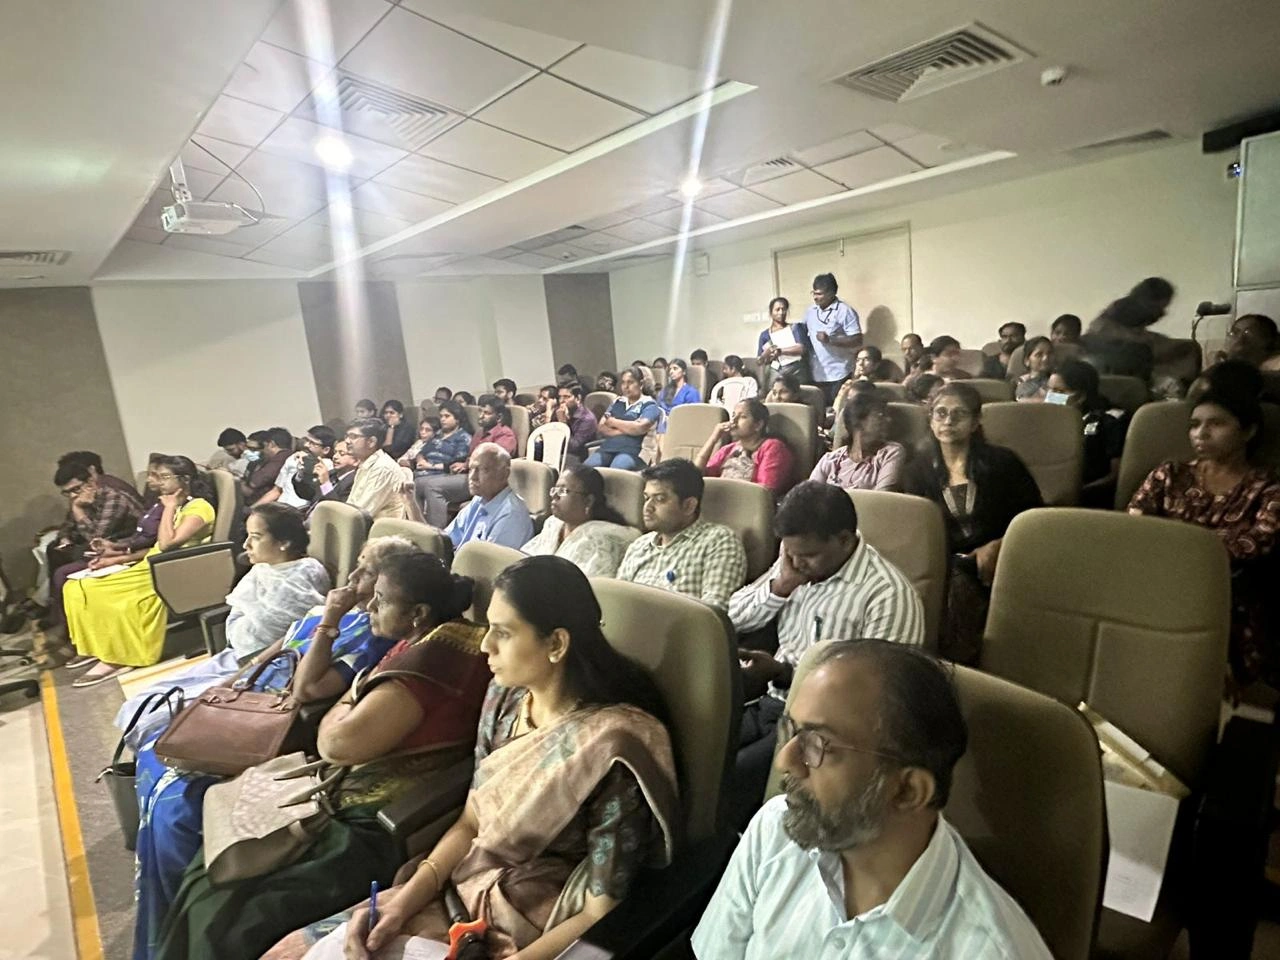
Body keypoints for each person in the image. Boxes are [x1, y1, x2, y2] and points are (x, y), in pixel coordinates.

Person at [265, 555, 680, 960]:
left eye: (503, 632)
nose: (484, 645)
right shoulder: (505, 698)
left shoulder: (614, 746)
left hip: (532, 919)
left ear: (556, 643)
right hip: (460, 882)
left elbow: (600, 909)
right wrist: (403, 905)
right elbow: (471, 822)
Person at [153, 552, 491, 960]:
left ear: (418, 613)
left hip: (374, 822)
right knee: (211, 879)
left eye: (381, 599)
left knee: (227, 909)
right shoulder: (429, 639)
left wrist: (343, 709)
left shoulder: (428, 665)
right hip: (352, 789)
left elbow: (335, 744)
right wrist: (344, 708)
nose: (369, 605)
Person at [126, 537, 414, 960]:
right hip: (252, 701)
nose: (353, 577)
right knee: (155, 754)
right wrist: (223, 692)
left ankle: (180, 909)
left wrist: (330, 620)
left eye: (367, 572)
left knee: (175, 804)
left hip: (280, 725)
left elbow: (307, 689)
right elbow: (267, 655)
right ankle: (165, 913)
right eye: (357, 564)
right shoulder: (321, 612)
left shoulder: (370, 636)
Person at [694, 640, 1053, 960]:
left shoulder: (991, 949)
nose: (784, 761)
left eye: (817, 744)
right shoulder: (774, 830)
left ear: (907, 791)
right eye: (791, 730)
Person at [728, 483, 925, 827]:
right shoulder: (795, 564)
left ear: (845, 540)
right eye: (788, 552)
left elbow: (882, 699)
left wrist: (784, 673)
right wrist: (780, 587)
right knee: (698, 755)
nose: (795, 562)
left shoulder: (887, 596)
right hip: (772, 705)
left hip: (823, 731)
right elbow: (732, 617)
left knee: (731, 778)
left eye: (807, 554)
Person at [1128, 380, 1280, 686]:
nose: (1201, 433)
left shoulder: (1268, 488)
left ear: (1248, 432)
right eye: (1195, 425)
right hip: (1154, 579)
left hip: (1227, 594)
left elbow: (1258, 543)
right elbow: (1132, 529)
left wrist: (1176, 545)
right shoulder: (1169, 474)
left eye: (1216, 424)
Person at [901, 384, 1043, 663]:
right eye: (940, 413)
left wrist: (1000, 545)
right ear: (930, 420)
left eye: (959, 414)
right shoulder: (916, 472)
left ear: (976, 421)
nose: (948, 421)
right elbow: (919, 533)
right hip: (946, 564)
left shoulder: (1003, 463)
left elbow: (1034, 520)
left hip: (1003, 558)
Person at [64, 456, 216, 686]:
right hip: (150, 563)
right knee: (75, 587)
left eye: (164, 477)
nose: (158, 482)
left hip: (171, 570)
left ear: (184, 480)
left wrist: (169, 507)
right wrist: (118, 558)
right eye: (156, 476)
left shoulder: (199, 507)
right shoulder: (174, 506)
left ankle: (119, 657)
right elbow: (154, 548)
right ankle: (99, 647)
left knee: (110, 599)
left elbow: (167, 544)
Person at [616, 459, 747, 610]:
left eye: (659, 499)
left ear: (689, 506)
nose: (647, 507)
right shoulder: (639, 546)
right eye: (646, 498)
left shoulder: (718, 541)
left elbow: (715, 612)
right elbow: (617, 602)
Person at [521, 465, 638, 576]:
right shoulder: (553, 524)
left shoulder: (602, 540)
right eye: (554, 489)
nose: (554, 496)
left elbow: (593, 584)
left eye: (563, 491)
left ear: (588, 501)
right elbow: (524, 557)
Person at [1047, 359, 1129, 509]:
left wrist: (1078, 492)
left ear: (1081, 396)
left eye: (1059, 392)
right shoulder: (1047, 419)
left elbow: (1116, 474)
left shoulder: (1110, 420)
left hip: (1089, 498)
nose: (1050, 397)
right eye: (1049, 390)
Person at [694, 399, 795, 499]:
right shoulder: (728, 449)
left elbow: (765, 492)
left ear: (758, 425)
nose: (733, 421)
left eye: (742, 417)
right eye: (733, 415)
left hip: (748, 504)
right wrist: (713, 439)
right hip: (719, 500)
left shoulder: (773, 447)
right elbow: (696, 476)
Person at [443, 443, 535, 551]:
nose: (472, 477)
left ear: (504, 474)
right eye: (471, 469)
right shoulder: (479, 501)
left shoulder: (512, 514)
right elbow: (447, 538)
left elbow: (488, 560)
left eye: (483, 470)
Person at [812, 393, 906, 491]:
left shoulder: (890, 453)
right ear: (858, 422)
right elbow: (810, 495)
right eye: (880, 415)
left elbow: (881, 497)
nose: (888, 420)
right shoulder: (830, 460)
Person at [801, 273, 863, 404]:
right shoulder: (810, 311)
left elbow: (857, 340)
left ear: (831, 293)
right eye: (814, 293)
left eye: (820, 294)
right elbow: (803, 334)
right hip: (816, 372)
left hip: (839, 373)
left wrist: (830, 340)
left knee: (837, 409)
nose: (815, 297)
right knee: (819, 411)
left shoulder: (844, 311)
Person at [411, 400, 473, 527]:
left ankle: (436, 529)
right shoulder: (438, 435)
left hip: (445, 474)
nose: (443, 419)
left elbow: (456, 462)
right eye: (441, 416)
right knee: (411, 485)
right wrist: (421, 460)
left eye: (447, 416)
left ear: (457, 419)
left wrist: (430, 466)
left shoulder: (463, 437)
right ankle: (418, 525)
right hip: (424, 472)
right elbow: (422, 451)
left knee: (428, 485)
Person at [584, 368, 660, 471]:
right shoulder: (617, 402)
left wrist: (613, 422)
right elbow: (601, 427)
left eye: (630, 382)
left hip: (636, 451)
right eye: (623, 382)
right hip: (609, 447)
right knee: (585, 470)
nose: (626, 386)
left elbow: (640, 428)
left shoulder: (649, 404)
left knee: (616, 470)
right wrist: (629, 429)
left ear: (641, 384)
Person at [344, 419, 408, 521]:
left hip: (382, 529)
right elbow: (351, 505)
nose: (347, 441)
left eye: (353, 436)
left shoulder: (383, 468)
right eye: (347, 436)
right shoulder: (366, 463)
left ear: (371, 442)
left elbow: (362, 513)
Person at [270, 426, 336, 509]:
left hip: (301, 509)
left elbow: (322, 495)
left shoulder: (327, 466)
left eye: (312, 443)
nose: (306, 445)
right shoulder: (293, 458)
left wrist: (308, 461)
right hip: (280, 505)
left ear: (325, 450)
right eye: (306, 440)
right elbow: (276, 490)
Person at [758, 296, 811, 386]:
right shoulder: (765, 335)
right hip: (777, 373)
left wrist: (780, 351)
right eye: (777, 310)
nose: (781, 312)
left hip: (797, 371)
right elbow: (759, 361)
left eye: (784, 309)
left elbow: (802, 349)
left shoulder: (795, 328)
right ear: (771, 312)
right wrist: (766, 355)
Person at [241, 426, 293, 508]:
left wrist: (250, 510)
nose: (264, 450)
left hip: (270, 507)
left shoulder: (281, 459)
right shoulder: (280, 458)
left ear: (271, 444)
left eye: (264, 446)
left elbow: (255, 482)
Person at [303, 439, 358, 512]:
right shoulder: (331, 473)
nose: (335, 456)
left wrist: (326, 483)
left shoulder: (355, 481)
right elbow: (307, 494)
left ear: (356, 460)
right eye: (335, 452)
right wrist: (302, 472)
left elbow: (336, 509)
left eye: (341, 453)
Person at [554, 381, 599, 462]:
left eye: (566, 397)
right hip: (558, 450)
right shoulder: (560, 411)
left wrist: (563, 423)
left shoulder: (587, 419)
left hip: (577, 456)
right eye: (560, 397)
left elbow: (573, 447)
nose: (561, 401)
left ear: (578, 398)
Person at [657, 359, 702, 435]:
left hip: (681, 426)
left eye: (675, 369)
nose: (671, 372)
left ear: (684, 372)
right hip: (662, 423)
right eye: (670, 369)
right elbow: (659, 407)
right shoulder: (665, 390)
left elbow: (693, 414)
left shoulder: (691, 392)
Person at [1014, 336, 1054, 401]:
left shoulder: (1059, 379)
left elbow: (1065, 401)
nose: (1045, 358)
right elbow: (1023, 401)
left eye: (1050, 353)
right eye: (1039, 355)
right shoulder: (1022, 381)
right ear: (1027, 361)